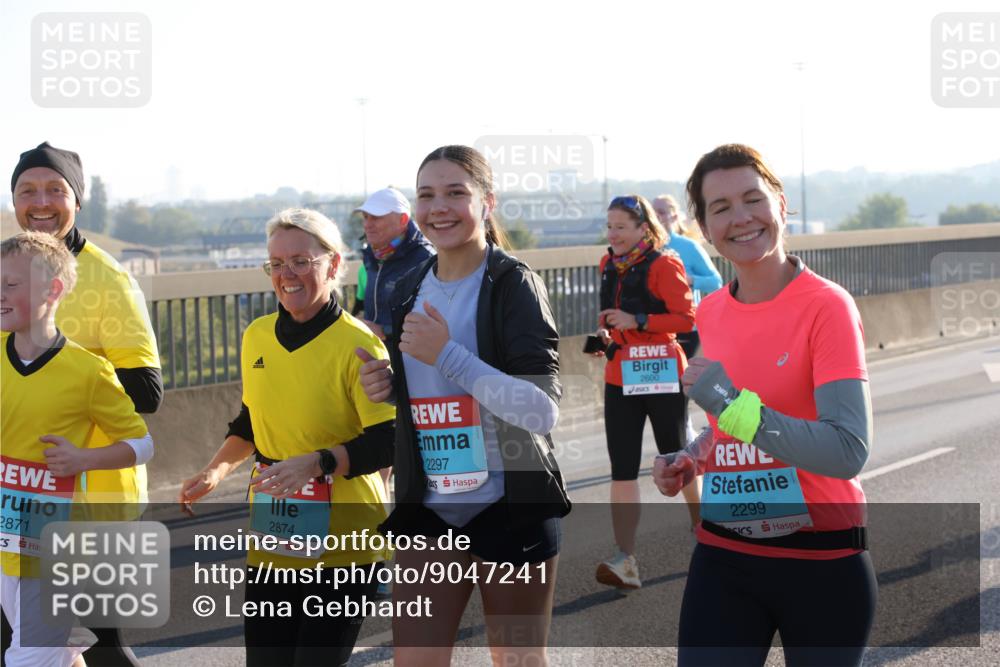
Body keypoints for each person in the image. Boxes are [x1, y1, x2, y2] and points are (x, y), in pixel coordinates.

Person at [653, 143, 875, 666]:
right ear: (704, 230)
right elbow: (725, 427)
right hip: (724, 555)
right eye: (721, 208)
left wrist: (729, 404)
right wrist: (691, 457)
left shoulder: (827, 306)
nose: (741, 218)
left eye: (753, 199)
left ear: (780, 203)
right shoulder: (710, 312)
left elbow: (848, 450)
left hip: (822, 560)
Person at [358, 145, 570, 667]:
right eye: (427, 195)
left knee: (516, 661)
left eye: (456, 192)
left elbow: (541, 411)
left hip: (511, 506)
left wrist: (447, 355)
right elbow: (431, 391)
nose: (440, 207)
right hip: (429, 507)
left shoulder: (512, 284)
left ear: (487, 202)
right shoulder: (408, 288)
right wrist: (388, 384)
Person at [178, 208, 395, 667]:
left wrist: (317, 462)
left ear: (333, 266)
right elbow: (252, 419)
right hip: (274, 536)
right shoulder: (256, 335)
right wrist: (216, 470)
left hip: (346, 543)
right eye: (276, 264)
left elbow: (388, 440)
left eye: (300, 261)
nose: (286, 274)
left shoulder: (359, 344)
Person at [7, 142, 163, 667]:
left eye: (56, 189)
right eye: (28, 190)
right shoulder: (7, 268)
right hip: (16, 494)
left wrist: (66, 371)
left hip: (91, 497)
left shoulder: (106, 278)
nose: (41, 201)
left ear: (78, 201)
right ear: (13, 199)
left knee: (102, 646)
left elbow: (147, 391)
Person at [590, 194, 695, 590]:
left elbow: (686, 318)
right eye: (609, 226)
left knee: (677, 457)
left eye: (620, 227)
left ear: (643, 229)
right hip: (621, 375)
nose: (613, 234)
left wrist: (637, 319)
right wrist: (604, 334)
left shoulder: (664, 263)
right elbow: (609, 317)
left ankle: (704, 530)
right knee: (622, 466)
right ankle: (625, 558)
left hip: (663, 371)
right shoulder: (606, 264)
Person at [652, 194, 723, 526]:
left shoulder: (687, 246)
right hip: (656, 333)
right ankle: (687, 440)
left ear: (676, 216)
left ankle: (689, 442)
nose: (661, 216)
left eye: (666, 211)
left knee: (682, 387)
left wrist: (690, 280)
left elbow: (716, 281)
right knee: (671, 392)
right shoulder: (646, 248)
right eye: (655, 212)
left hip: (687, 327)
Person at [357, 186, 434, 340]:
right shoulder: (371, 256)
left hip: (411, 359)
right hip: (374, 355)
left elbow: (435, 323)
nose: (367, 224)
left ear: (403, 220)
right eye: (365, 217)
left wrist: (384, 331)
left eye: (376, 217)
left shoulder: (426, 259)